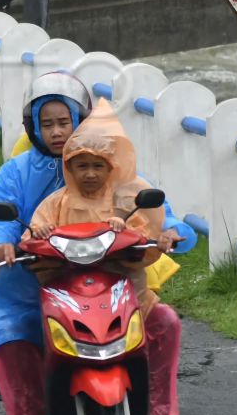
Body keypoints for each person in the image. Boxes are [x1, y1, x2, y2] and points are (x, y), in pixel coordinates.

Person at [0, 72, 193, 415]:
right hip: (34, 281)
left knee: (164, 323)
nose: (57, 132)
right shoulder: (17, 172)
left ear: (79, 119)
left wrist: (170, 230)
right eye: (46, 124)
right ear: (32, 126)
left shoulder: (112, 163)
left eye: (64, 122)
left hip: (112, 280)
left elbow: (152, 205)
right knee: (13, 339)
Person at [26, 99, 166, 318]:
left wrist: (126, 230)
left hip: (119, 279)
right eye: (82, 166)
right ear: (69, 168)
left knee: (165, 320)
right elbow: (33, 231)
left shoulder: (125, 200)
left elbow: (144, 235)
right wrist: (40, 232)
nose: (90, 174)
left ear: (111, 167)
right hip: (68, 280)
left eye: (98, 166)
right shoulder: (57, 202)